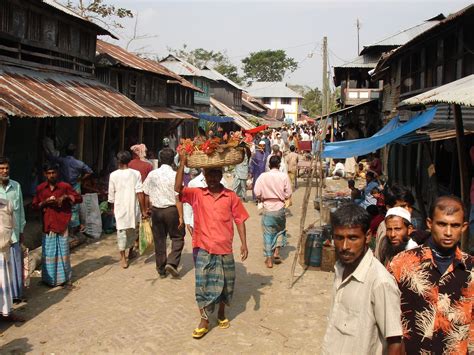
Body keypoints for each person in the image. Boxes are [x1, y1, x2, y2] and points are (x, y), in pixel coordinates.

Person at [175, 152, 249, 339]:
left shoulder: (231, 196)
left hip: (225, 248)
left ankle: (222, 313)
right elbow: (178, 189)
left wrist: (244, 243)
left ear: (221, 174)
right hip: (204, 248)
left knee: (226, 285)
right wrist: (182, 164)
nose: (213, 178)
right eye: (210, 175)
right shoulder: (197, 194)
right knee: (202, 286)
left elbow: (240, 219)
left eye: (217, 174)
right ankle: (204, 320)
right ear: (204, 176)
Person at [388, 196, 472, 354]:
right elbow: (385, 316)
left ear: (464, 227)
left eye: (454, 225)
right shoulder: (401, 264)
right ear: (429, 223)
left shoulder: (471, 270)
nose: (448, 232)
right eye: (442, 224)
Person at [322, 203, 403, 354]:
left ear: (367, 237)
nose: (345, 246)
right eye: (339, 238)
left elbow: (395, 343)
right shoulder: (340, 267)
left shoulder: (380, 282)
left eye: (353, 238)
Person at [32, 162, 82, 287]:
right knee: (48, 252)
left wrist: (65, 197)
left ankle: (64, 279)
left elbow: (78, 198)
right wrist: (45, 202)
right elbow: (34, 205)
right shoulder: (41, 188)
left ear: (57, 173)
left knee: (63, 252)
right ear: (45, 175)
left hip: (62, 223)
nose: (51, 175)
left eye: (53, 173)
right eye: (49, 173)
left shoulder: (64, 186)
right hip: (48, 224)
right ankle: (49, 279)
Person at [143, 148, 185, 278]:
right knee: (178, 237)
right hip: (172, 210)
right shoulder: (175, 175)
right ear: (173, 160)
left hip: (156, 211)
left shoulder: (152, 174)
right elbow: (179, 196)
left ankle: (161, 269)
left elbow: (145, 192)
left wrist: (145, 209)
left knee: (159, 240)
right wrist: (181, 216)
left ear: (160, 159)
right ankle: (172, 263)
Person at [108, 151, 146, 269]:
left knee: (122, 232)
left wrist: (112, 208)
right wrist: (143, 209)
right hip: (132, 207)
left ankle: (124, 256)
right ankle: (129, 253)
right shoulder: (136, 174)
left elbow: (111, 194)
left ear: (118, 161)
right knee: (132, 230)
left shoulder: (113, 175)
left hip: (120, 207)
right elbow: (139, 192)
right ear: (129, 161)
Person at [254, 156, 292, 268]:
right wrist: (282, 196)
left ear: (269, 165)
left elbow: (257, 192)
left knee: (268, 234)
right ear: (279, 165)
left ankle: (269, 259)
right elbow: (288, 193)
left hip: (268, 209)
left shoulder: (263, 176)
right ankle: (276, 253)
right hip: (280, 208)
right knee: (280, 231)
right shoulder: (283, 176)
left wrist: (262, 197)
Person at [47, 144, 92, 234]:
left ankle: (64, 227)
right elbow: (89, 171)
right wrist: (80, 179)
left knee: (63, 205)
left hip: (63, 186)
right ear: (74, 152)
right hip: (75, 185)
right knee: (74, 206)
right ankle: (73, 228)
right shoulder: (79, 163)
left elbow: (51, 158)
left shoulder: (62, 161)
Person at [0, 157, 26, 303]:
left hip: (14, 233)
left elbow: (20, 210)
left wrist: (21, 230)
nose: (4, 171)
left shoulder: (16, 186)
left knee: (15, 264)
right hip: (0, 236)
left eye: (6, 168)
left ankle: (16, 295)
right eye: (1, 169)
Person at [0, 197, 24, 322]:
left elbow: (13, 225)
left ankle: (7, 312)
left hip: (5, 252)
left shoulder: (6, 204)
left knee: (6, 284)